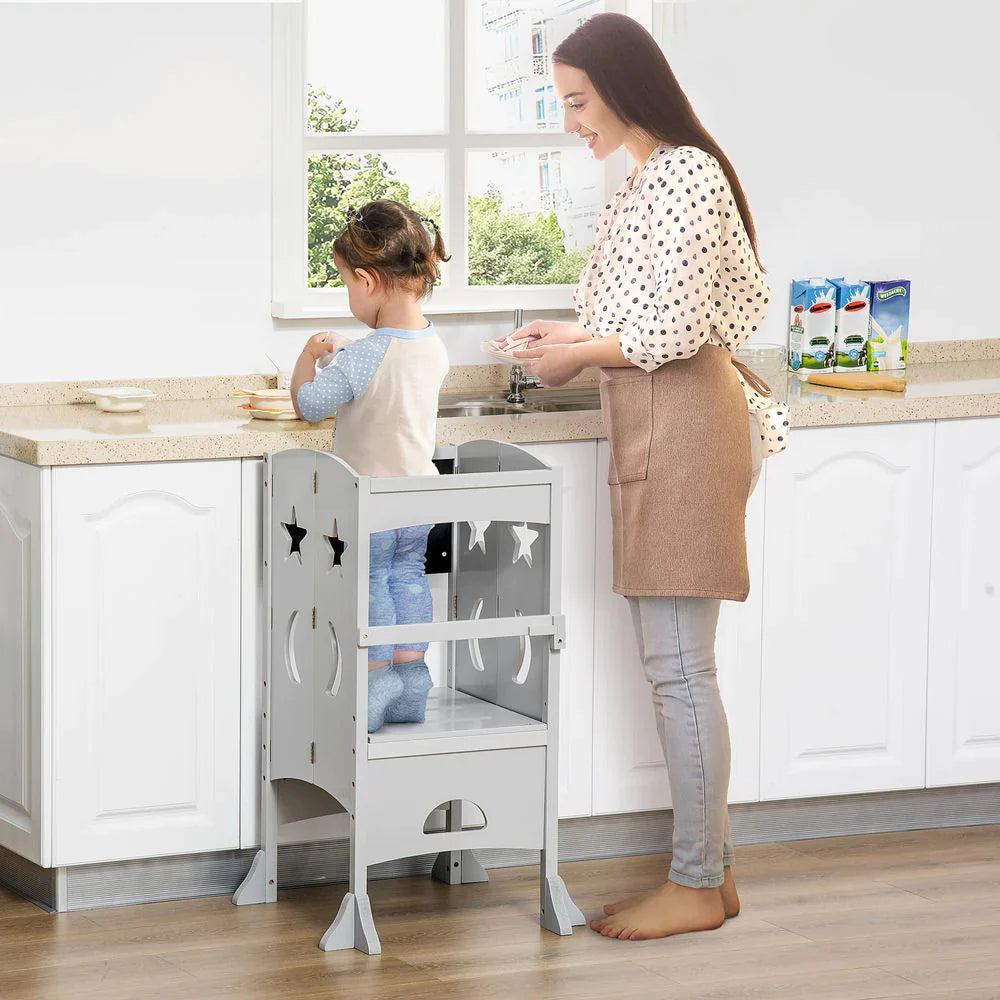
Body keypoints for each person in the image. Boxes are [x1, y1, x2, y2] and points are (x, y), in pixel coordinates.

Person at [511, 13, 772, 941]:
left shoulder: (682, 177)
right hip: (664, 419)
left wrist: (578, 359)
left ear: (626, 86)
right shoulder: (651, 179)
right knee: (678, 665)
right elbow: (654, 317)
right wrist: (570, 339)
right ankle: (716, 877)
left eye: (579, 100)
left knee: (677, 669)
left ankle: (698, 883)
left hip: (686, 427)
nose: (572, 120)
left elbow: (666, 335)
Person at [291, 200, 450, 734]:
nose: (348, 295)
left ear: (367, 279)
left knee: (371, 584)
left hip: (372, 498)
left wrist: (309, 359)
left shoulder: (364, 355)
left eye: (345, 284)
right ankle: (412, 688)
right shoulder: (433, 343)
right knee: (409, 579)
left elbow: (312, 404)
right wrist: (349, 352)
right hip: (418, 498)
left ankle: (376, 692)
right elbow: (389, 365)